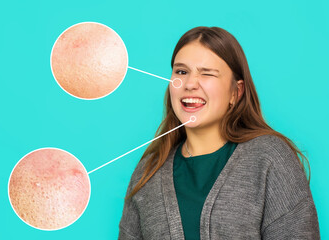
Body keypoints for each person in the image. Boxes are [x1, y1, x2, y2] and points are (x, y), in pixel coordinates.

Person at [118, 26, 320, 239]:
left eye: (207, 73)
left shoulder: (269, 158)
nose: (190, 84)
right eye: (181, 72)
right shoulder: (147, 172)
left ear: (236, 91)